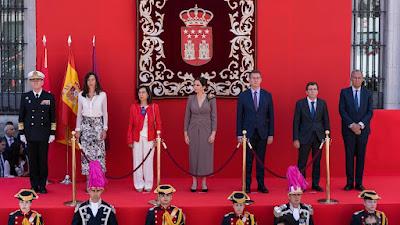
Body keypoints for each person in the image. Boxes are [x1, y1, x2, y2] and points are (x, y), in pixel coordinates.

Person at [18, 70, 56, 193]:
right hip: (30, 134)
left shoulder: (49, 96)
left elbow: (53, 117)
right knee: (33, 161)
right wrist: (22, 133)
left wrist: (52, 133)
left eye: (38, 80)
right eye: (33, 81)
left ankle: (42, 185)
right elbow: (21, 117)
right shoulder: (25, 97)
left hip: (44, 134)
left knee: (43, 161)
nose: (35, 83)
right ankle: (34, 185)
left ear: (42, 82)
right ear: (30, 83)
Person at [236, 70, 274, 193]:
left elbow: (271, 116)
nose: (255, 80)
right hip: (248, 134)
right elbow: (239, 117)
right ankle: (246, 186)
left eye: (257, 78)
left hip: (263, 132)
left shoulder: (267, 95)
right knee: (247, 161)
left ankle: (261, 184)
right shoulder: (243, 95)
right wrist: (239, 134)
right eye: (253, 78)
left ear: (261, 79)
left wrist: (270, 134)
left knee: (260, 160)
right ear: (249, 80)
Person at [339, 70, 373, 191]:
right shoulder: (344, 92)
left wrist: (360, 125)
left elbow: (370, 112)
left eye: (359, 78)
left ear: (362, 79)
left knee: (360, 156)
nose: (357, 80)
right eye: (355, 78)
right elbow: (342, 111)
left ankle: (358, 183)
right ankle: (349, 182)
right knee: (349, 156)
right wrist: (352, 125)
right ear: (351, 78)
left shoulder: (368, 93)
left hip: (363, 131)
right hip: (348, 130)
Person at [293, 82, 330, 192]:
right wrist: (295, 138)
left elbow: (326, 121)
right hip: (304, 137)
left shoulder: (322, 103)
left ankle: (315, 184)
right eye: (310, 89)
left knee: (317, 162)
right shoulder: (300, 104)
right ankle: (302, 184)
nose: (312, 91)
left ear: (317, 91)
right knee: (302, 162)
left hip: (319, 137)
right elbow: (296, 122)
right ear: (306, 92)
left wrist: (328, 137)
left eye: (314, 89)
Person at [184, 77, 217, 192]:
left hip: (206, 130)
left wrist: (213, 133)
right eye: (194, 85)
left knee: (205, 156)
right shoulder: (191, 98)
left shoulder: (211, 98)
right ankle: (194, 182)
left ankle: (203, 183)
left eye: (197, 85)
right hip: (192, 129)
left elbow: (214, 117)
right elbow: (187, 116)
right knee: (193, 155)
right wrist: (185, 133)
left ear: (203, 86)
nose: (195, 87)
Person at [75, 72, 108, 187]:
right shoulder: (81, 95)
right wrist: (78, 129)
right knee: (87, 155)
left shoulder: (102, 95)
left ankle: (98, 182)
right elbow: (79, 114)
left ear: (96, 81)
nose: (91, 82)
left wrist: (105, 129)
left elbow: (105, 113)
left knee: (98, 155)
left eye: (93, 79)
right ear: (86, 82)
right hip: (85, 126)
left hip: (98, 125)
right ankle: (89, 183)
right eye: (88, 80)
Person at [127, 86, 162, 192]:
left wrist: (158, 138)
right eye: (139, 92)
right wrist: (129, 139)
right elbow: (130, 124)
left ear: (148, 94)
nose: (141, 94)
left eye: (143, 92)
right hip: (137, 137)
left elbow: (159, 123)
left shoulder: (154, 107)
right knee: (137, 161)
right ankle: (138, 184)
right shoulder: (134, 107)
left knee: (148, 161)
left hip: (150, 138)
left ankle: (148, 184)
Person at [72, 160, 118, 225]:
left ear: (102, 191)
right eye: (93, 190)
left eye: (98, 190)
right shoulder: (80, 208)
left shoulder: (109, 209)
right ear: (88, 190)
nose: (95, 193)